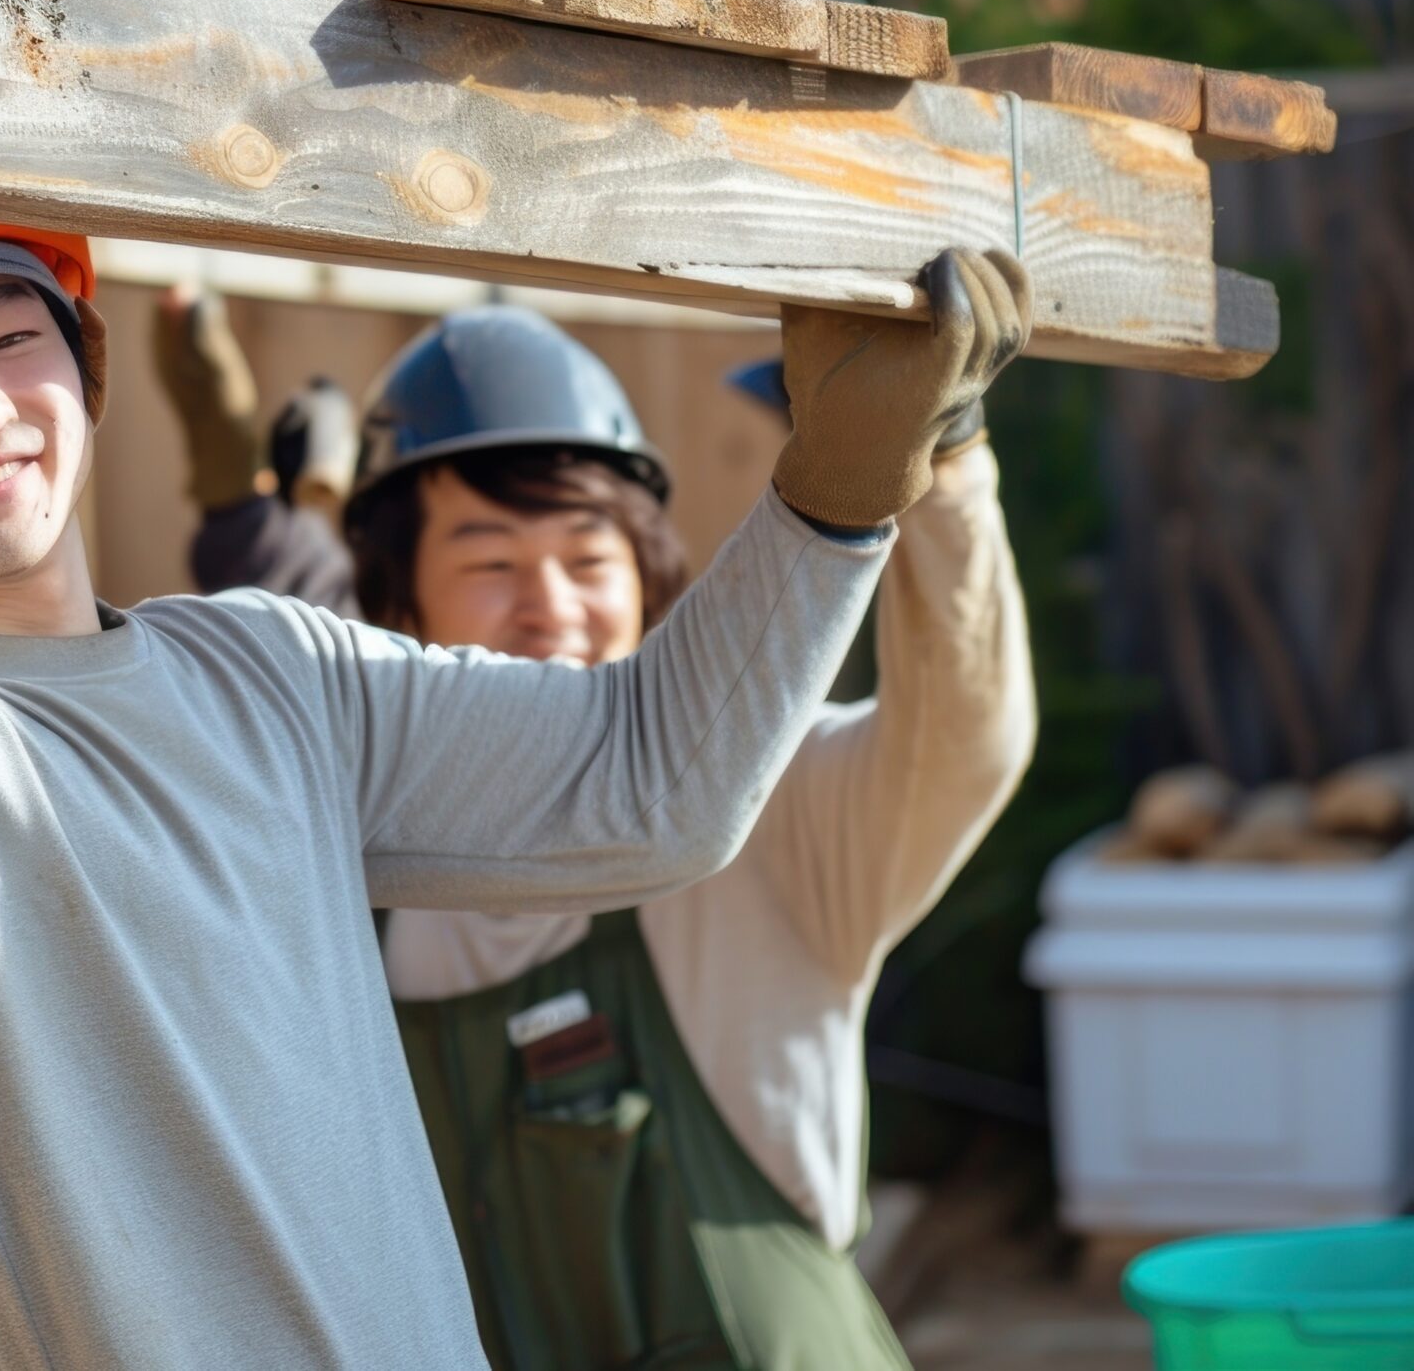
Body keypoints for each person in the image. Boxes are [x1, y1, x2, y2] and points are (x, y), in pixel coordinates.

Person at [0, 28, 1023, 1369]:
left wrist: (842, 491)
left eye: (13, 335)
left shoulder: (278, 676)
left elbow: (654, 787)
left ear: (83, 385)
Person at [160, 297, 1038, 1370]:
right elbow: (305, 642)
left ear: (648, 578)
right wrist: (243, 503)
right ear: (400, 614)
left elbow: (961, 736)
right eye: (488, 562)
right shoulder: (363, 855)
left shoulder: (767, 809)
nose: (548, 605)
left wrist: (941, 464)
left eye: (588, 559)